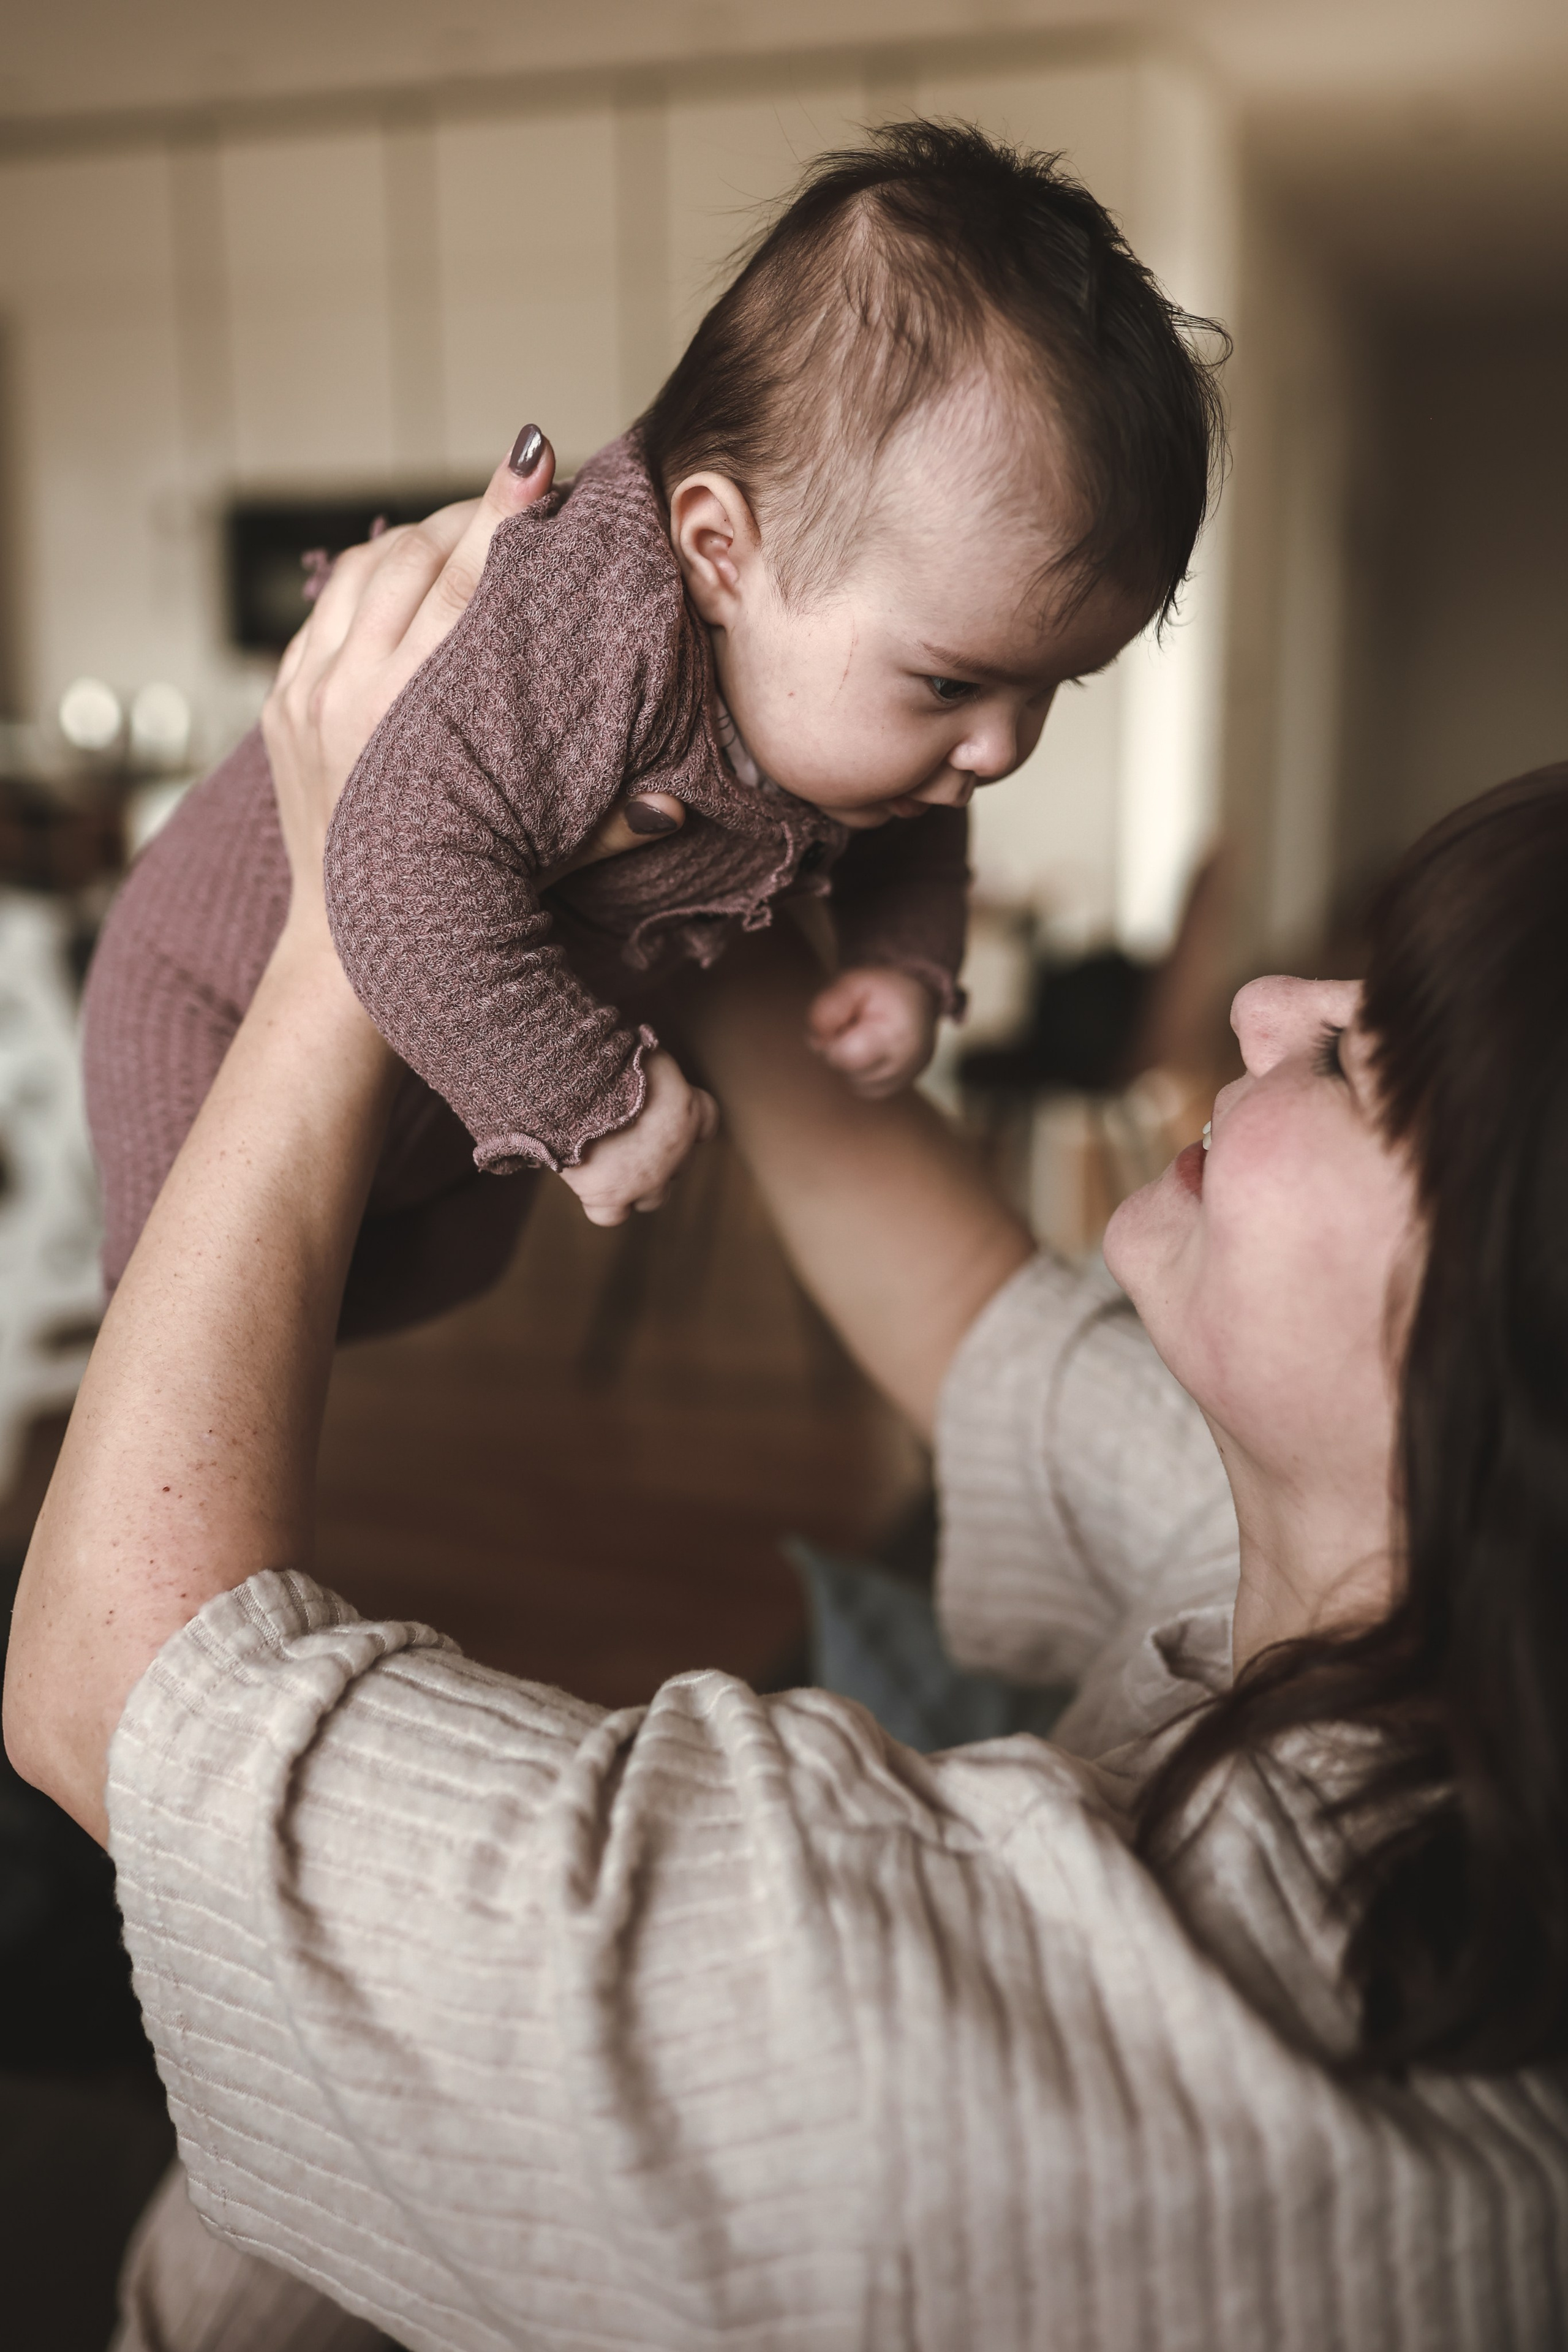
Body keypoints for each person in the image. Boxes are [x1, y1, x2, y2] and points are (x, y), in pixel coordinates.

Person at [8, 483, 1567, 2352]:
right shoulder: (1446, 1636)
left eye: (1360, 1061)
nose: (1255, 1009)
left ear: (1496, 1335)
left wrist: (367, 892)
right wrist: (700, 777)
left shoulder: (924, 2024)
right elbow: (980, 1320)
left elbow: (120, 1681)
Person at [81, 123, 1222, 1334]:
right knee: (190, 1316)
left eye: (1048, 691)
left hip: (458, 1042)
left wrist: (902, 954)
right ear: (718, 549)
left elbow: (910, 829)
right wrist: (595, 1106)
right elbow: (401, 868)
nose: (995, 752)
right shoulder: (591, 633)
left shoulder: (856, 726)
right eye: (952, 687)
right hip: (211, 990)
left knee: (432, 1270)